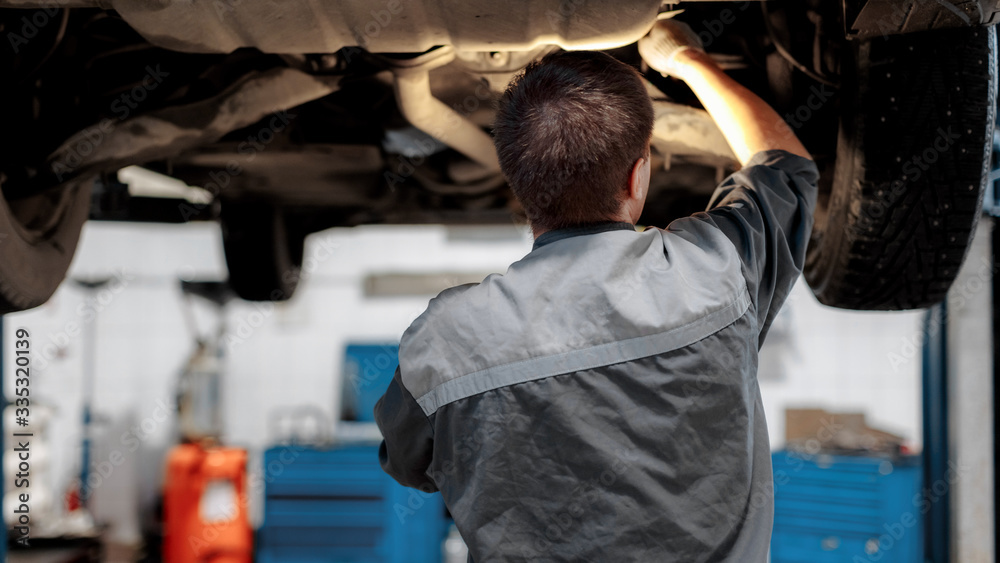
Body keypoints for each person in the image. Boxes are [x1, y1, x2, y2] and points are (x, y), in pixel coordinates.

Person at [374, 19, 818, 562]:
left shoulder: (443, 342)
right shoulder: (714, 269)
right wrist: (683, 58)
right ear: (637, 178)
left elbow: (407, 463)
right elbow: (785, 166)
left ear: (519, 184)